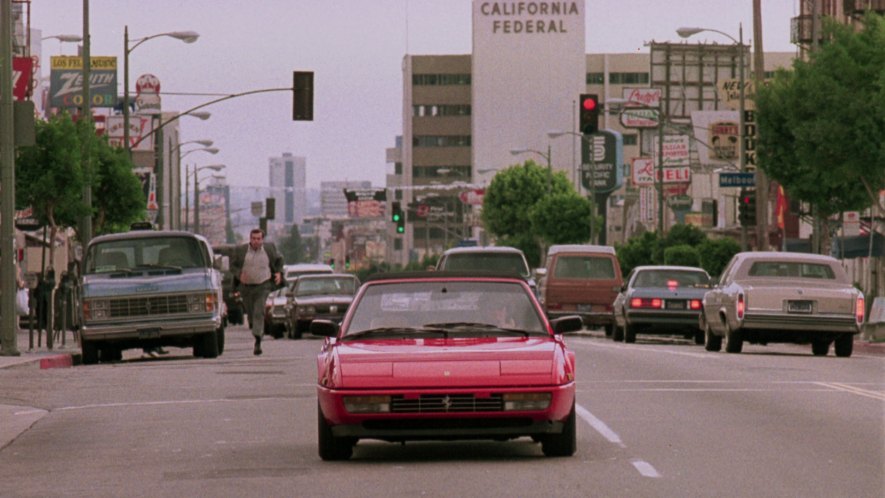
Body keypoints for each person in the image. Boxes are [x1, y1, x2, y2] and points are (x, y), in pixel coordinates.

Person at [230, 228, 283, 355]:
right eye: (253, 239)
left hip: (263, 286)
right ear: (250, 239)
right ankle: (256, 329)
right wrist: (239, 275)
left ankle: (258, 340)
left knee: (259, 311)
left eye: (258, 239)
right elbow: (233, 266)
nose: (256, 241)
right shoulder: (241, 251)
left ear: (262, 239)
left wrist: (278, 273)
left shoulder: (269, 249)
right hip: (246, 287)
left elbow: (279, 259)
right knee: (251, 314)